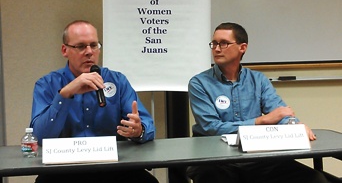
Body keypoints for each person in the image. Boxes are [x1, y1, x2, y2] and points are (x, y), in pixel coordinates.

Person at [186, 22, 328, 183]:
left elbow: (280, 112)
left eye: (223, 43)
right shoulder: (199, 83)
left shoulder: (258, 80)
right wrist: (260, 121)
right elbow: (211, 127)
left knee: (315, 179)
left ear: (242, 47)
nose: (217, 49)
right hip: (215, 160)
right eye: (214, 44)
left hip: (255, 156)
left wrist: (294, 125)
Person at [30, 20, 158, 183]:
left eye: (94, 45)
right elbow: (39, 137)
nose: (89, 52)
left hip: (113, 168)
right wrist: (66, 93)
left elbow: (148, 126)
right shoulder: (47, 84)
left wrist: (138, 130)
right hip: (63, 171)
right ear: (65, 50)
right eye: (81, 46)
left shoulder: (117, 81)